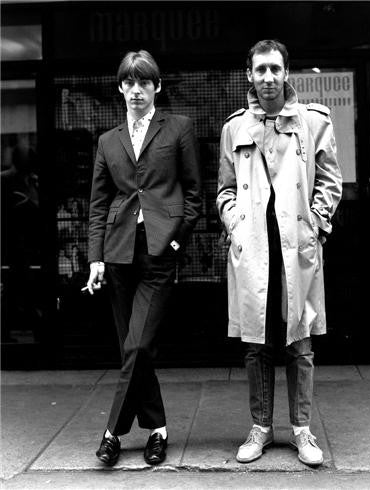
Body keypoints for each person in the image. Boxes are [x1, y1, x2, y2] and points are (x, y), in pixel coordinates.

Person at [217, 40, 342, 467]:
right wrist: (234, 223)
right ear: (249, 76)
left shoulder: (313, 121)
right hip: (253, 249)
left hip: (296, 249)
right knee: (257, 344)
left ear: (287, 72)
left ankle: (303, 431)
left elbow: (330, 180)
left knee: (300, 340)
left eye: (275, 69)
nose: (268, 77)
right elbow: (225, 189)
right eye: (260, 70)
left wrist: (317, 223)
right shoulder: (234, 128)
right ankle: (261, 427)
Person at [86, 50, 202, 466]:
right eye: (129, 83)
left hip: (158, 252)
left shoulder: (179, 128)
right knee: (134, 349)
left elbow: (193, 197)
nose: (137, 90)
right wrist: (96, 258)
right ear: (120, 88)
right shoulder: (107, 140)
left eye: (144, 83)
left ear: (157, 87)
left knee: (138, 344)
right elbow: (98, 205)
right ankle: (157, 430)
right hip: (118, 254)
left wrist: (174, 245)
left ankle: (111, 433)